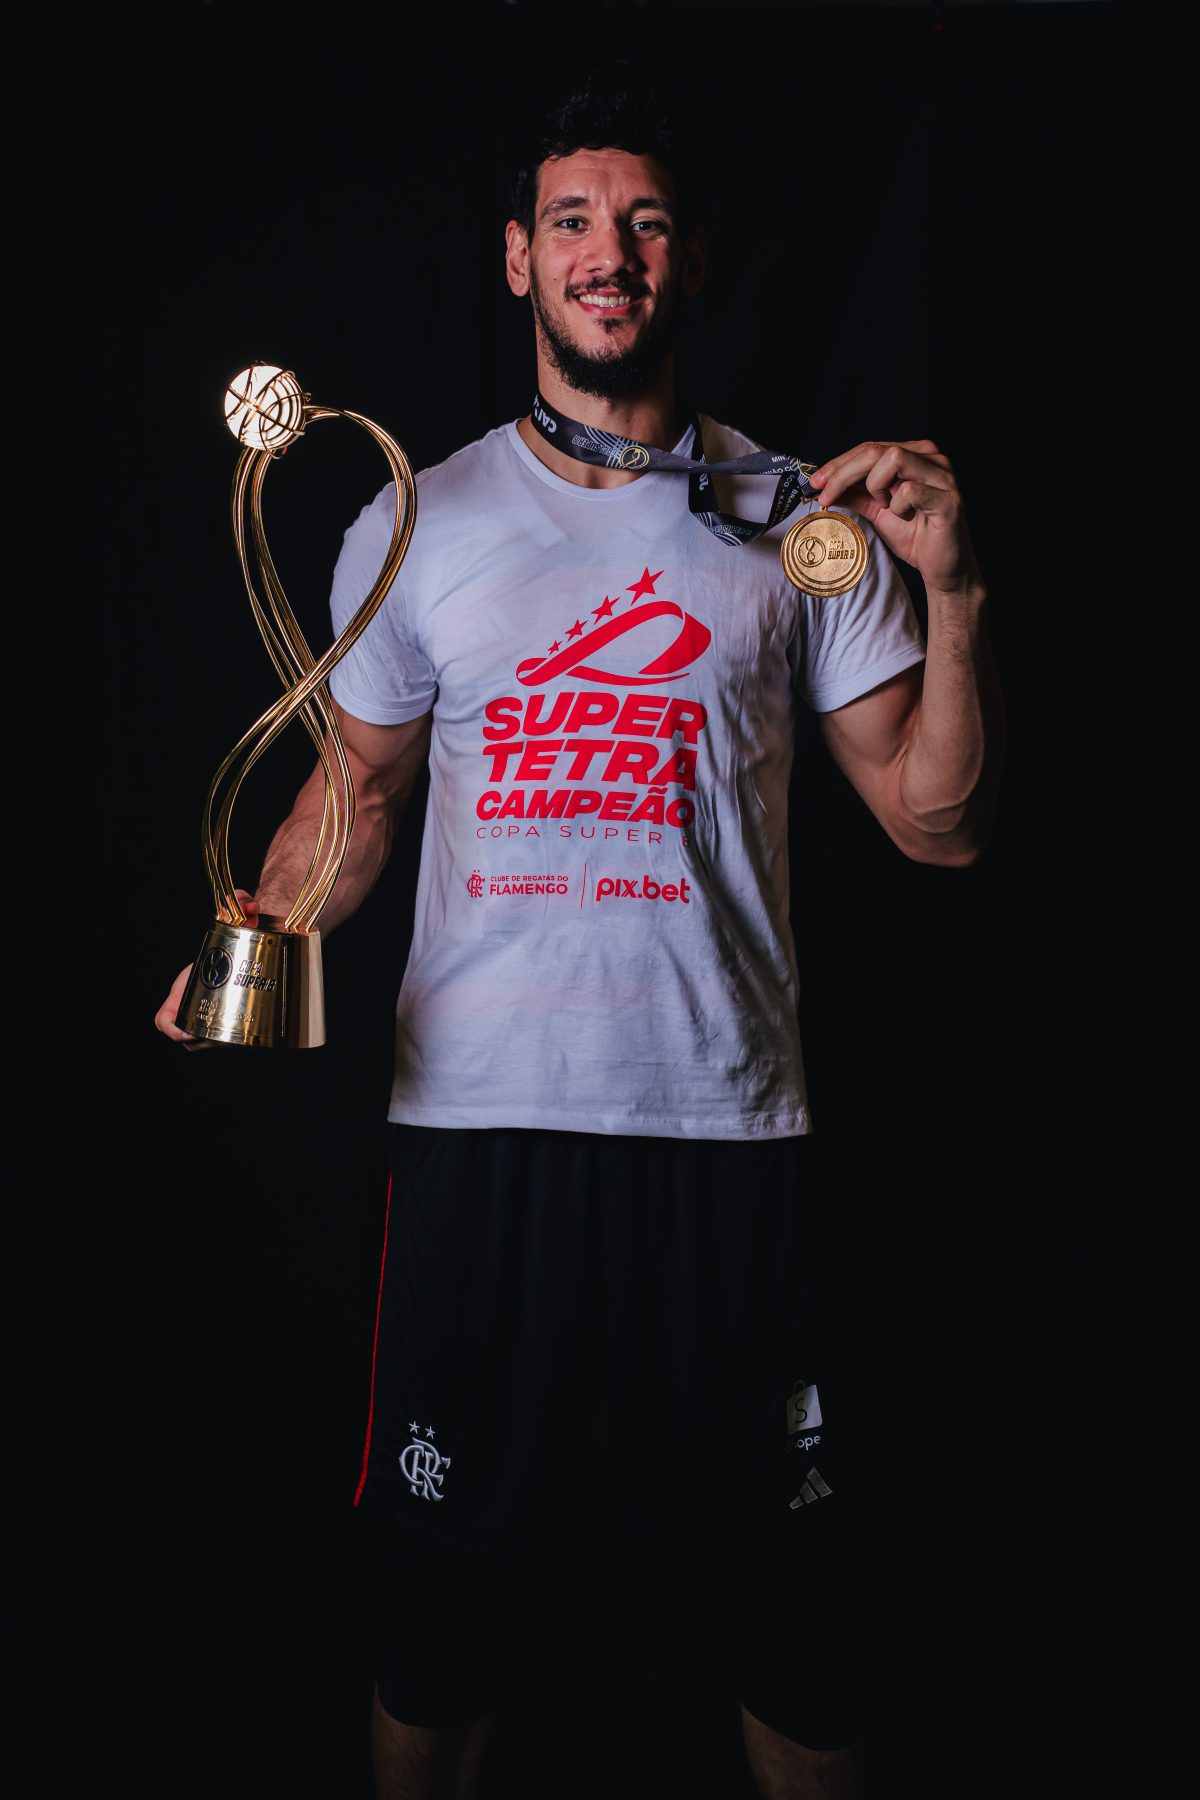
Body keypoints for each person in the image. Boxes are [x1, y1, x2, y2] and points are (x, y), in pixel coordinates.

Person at [157, 68, 1003, 1800]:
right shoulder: (418, 519)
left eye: (645, 223)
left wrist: (958, 596)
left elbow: (938, 822)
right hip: (481, 1140)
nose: (609, 254)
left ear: (686, 261)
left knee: (799, 1620)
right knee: (442, 1616)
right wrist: (254, 925)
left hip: (726, 1135)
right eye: (573, 222)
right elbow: (357, 788)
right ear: (520, 261)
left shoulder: (795, 521)